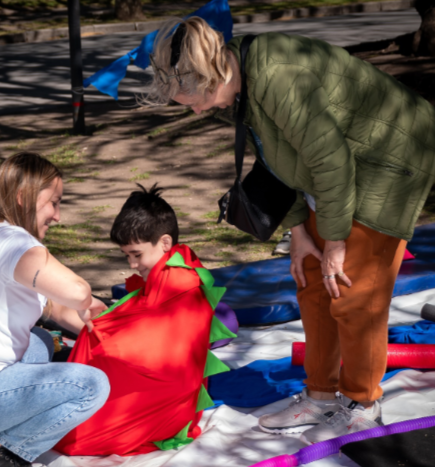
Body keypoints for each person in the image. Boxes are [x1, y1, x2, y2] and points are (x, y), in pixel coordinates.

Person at [147, 17, 435, 444]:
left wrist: (335, 241)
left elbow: (330, 160)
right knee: (312, 282)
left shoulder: (278, 77)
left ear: (212, 74)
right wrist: (300, 230)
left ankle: (362, 404)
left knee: (354, 293)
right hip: (335, 173)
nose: (196, 110)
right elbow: (283, 159)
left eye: (192, 99)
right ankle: (321, 396)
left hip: (387, 161)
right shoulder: (239, 76)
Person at [0, 152, 110, 467]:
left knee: (39, 341)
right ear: (24, 198)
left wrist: (112, 328)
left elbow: (56, 308)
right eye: (54, 202)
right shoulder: (12, 242)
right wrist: (87, 298)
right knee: (92, 386)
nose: (58, 216)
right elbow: (77, 292)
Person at [54, 184, 236, 456]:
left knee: (70, 436)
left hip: (168, 405)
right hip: (169, 398)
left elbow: (153, 347)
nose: (131, 264)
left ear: (164, 242)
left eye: (136, 254)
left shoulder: (179, 283)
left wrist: (103, 331)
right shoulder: (174, 270)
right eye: (127, 255)